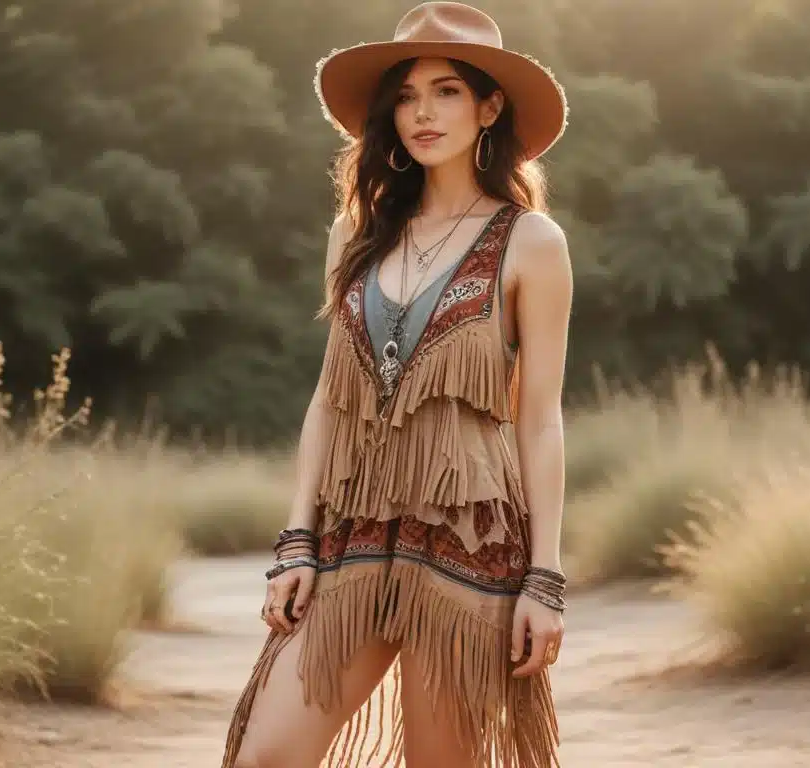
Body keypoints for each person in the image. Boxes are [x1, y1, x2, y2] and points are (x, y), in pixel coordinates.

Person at [223, 3, 573, 766]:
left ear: (489, 107)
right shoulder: (357, 232)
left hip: (469, 540)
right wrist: (295, 542)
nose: (422, 113)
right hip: (353, 530)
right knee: (265, 756)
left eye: (447, 91)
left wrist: (543, 579)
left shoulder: (531, 243)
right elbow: (328, 398)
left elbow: (539, 420)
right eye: (408, 96)